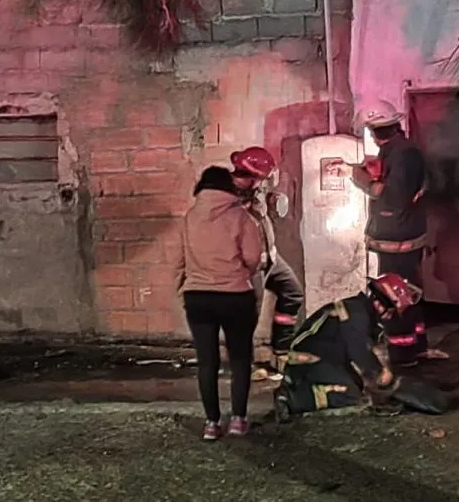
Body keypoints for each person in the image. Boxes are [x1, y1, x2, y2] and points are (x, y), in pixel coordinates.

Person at [350, 100, 449, 367]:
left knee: (395, 294)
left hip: (398, 240)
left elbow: (394, 197)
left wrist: (363, 180)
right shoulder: (396, 151)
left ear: (374, 131)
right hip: (401, 237)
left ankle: (403, 354)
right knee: (409, 291)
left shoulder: (403, 154)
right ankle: (417, 347)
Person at [174, 166, 265, 440]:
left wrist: (182, 288)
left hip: (198, 297)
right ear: (229, 187)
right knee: (240, 359)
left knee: (207, 361)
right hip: (235, 296)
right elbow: (253, 258)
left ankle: (211, 424)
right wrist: (240, 274)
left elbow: (178, 260)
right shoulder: (243, 218)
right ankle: (238, 420)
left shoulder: (189, 218)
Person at [272, 274, 421, 420]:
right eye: (391, 311)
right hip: (310, 361)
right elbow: (359, 352)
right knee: (349, 396)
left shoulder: (359, 310)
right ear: (379, 304)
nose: (390, 317)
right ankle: (292, 399)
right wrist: (380, 373)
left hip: (324, 358)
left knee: (357, 386)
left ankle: (299, 385)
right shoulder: (357, 315)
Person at [229, 147, 305, 381]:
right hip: (247, 266)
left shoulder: (253, 190)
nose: (266, 182)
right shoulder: (225, 201)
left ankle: (280, 354)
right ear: (252, 177)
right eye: (263, 178)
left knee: (292, 293)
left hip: (271, 258)